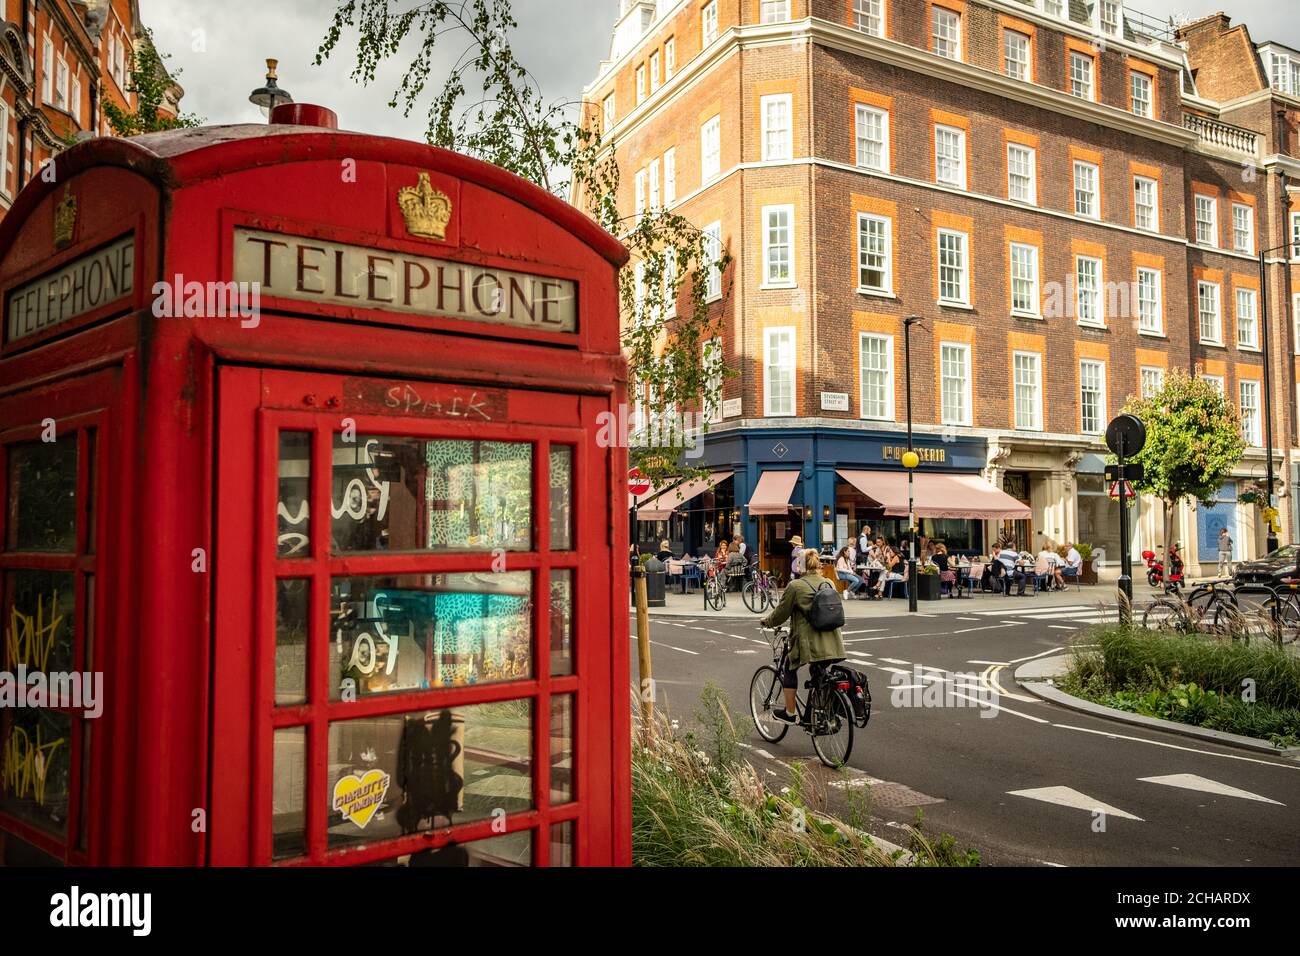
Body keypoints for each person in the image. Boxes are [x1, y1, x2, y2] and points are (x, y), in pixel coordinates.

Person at [761, 549, 847, 725]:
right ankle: (823, 712)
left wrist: (766, 622)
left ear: (800, 565)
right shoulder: (828, 583)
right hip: (833, 642)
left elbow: (780, 614)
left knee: (789, 667)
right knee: (819, 671)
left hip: (808, 642)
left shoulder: (795, 586)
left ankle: (790, 713)